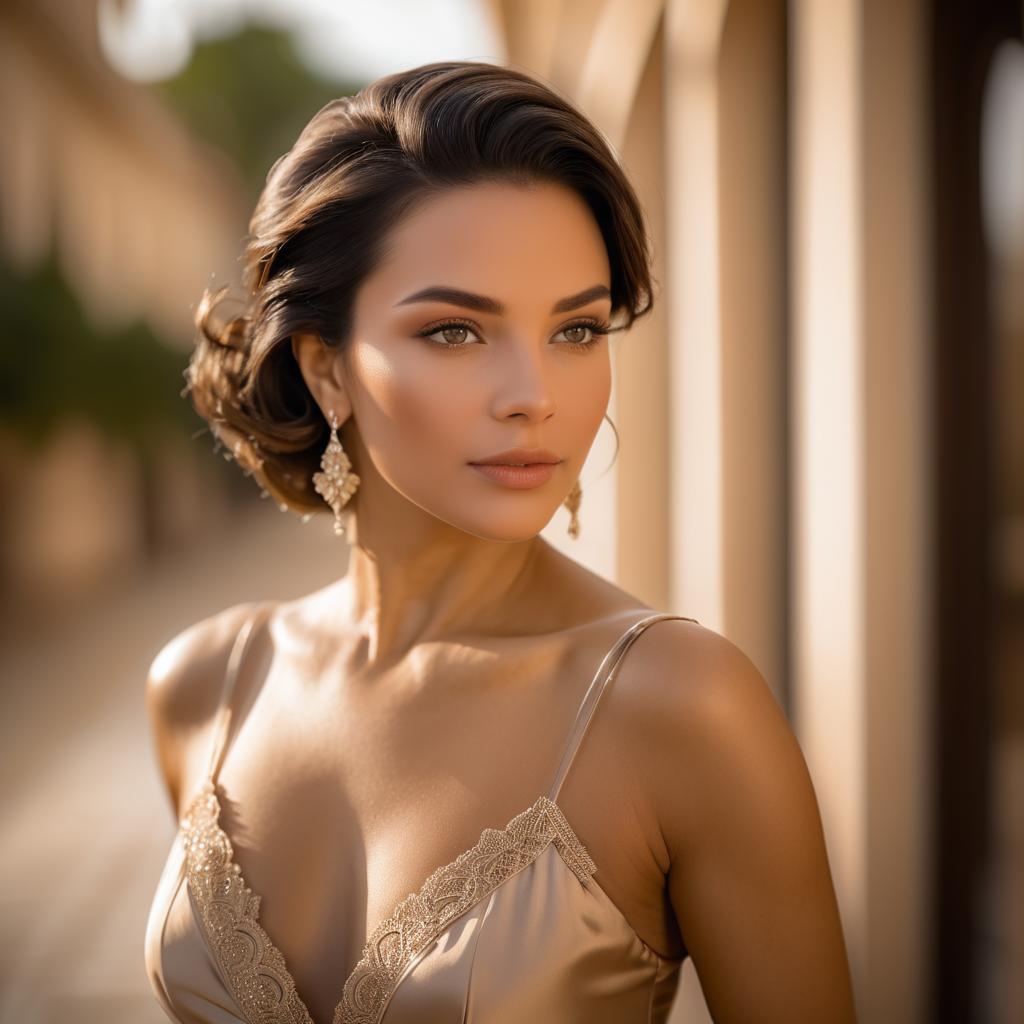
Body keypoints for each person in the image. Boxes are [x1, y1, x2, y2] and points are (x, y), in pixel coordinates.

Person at [143, 60, 856, 1024]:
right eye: (454, 332)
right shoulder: (205, 688)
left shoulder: (683, 709)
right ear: (327, 370)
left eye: (576, 329)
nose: (536, 395)